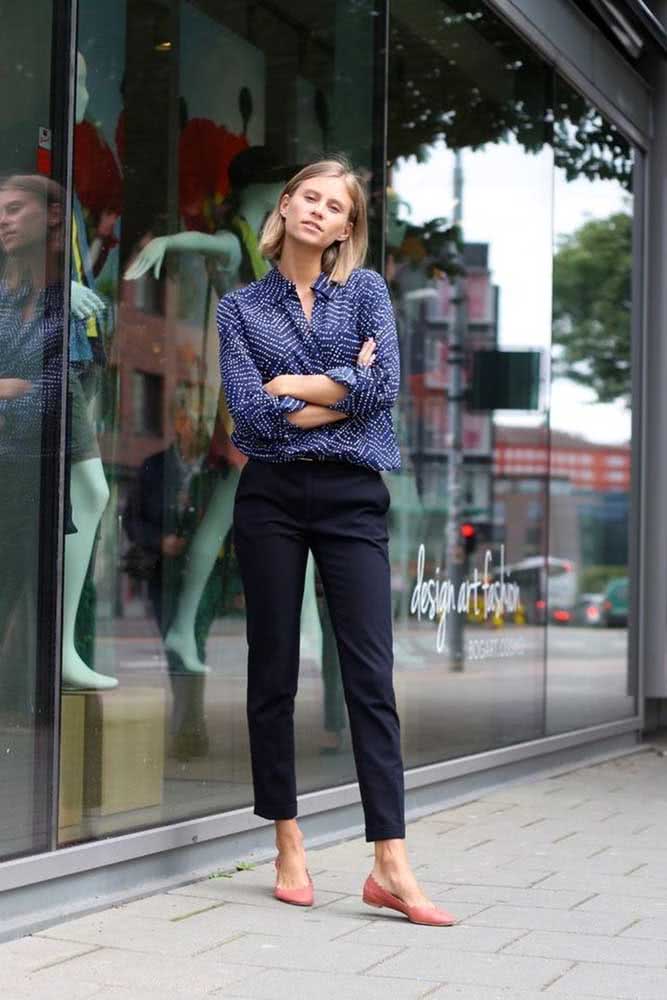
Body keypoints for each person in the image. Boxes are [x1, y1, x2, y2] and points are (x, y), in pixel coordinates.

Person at [216, 157, 456, 927]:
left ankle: (390, 861)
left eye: (334, 206)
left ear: (347, 227)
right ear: (285, 208)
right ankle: (287, 841)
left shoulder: (367, 294)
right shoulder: (238, 308)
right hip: (271, 500)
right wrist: (336, 390)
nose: (318, 211)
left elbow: (382, 393)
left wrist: (293, 388)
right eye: (307, 197)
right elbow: (248, 419)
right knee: (273, 671)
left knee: (369, 678)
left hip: (352, 496)